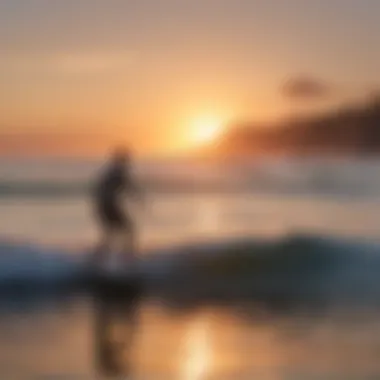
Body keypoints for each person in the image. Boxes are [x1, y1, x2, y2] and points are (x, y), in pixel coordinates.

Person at [93, 147, 141, 266]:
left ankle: (99, 260)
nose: (128, 162)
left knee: (111, 234)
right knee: (128, 230)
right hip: (108, 206)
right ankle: (128, 260)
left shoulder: (113, 171)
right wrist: (138, 198)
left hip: (106, 206)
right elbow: (128, 186)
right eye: (126, 160)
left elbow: (101, 188)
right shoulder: (118, 172)